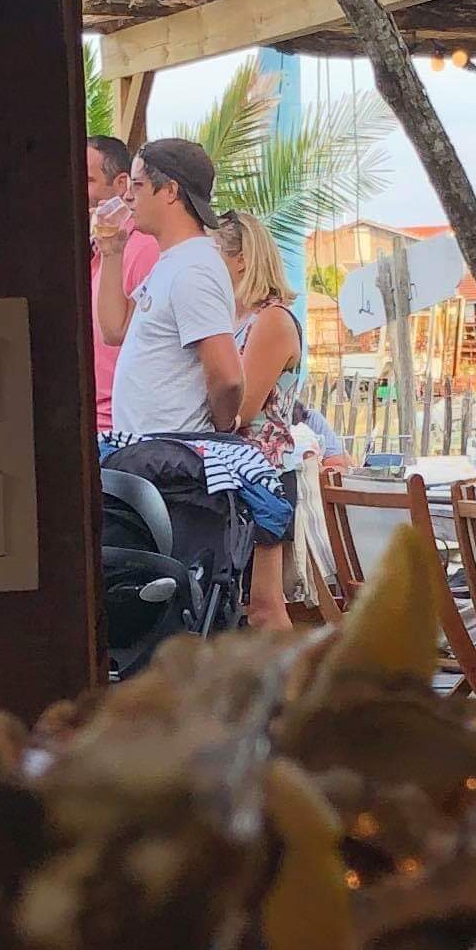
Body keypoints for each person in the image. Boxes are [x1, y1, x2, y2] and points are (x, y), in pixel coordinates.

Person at [96, 136, 239, 444]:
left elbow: (228, 377)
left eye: (138, 185)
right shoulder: (173, 263)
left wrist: (219, 429)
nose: (128, 196)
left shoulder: (193, 269)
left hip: (170, 454)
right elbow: (114, 329)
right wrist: (112, 252)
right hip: (149, 451)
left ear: (171, 191)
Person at [213, 206, 305, 629]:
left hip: (265, 471)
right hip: (237, 468)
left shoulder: (271, 321)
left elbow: (245, 407)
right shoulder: (236, 319)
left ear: (241, 260)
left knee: (265, 605)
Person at [85, 132, 156, 436]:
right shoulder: (97, 247)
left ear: (122, 183)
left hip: (120, 426)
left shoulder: (144, 248)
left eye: (87, 180)